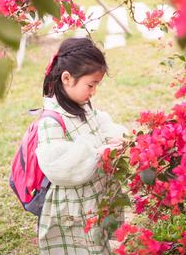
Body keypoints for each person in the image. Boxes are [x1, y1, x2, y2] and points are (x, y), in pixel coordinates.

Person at [36, 37, 127, 254]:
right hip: (74, 209)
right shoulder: (51, 121)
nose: (94, 91)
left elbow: (100, 126)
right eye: (91, 84)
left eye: (97, 84)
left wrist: (113, 139)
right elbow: (61, 169)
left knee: (97, 243)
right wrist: (101, 154)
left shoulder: (82, 105)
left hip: (93, 199)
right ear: (67, 78)